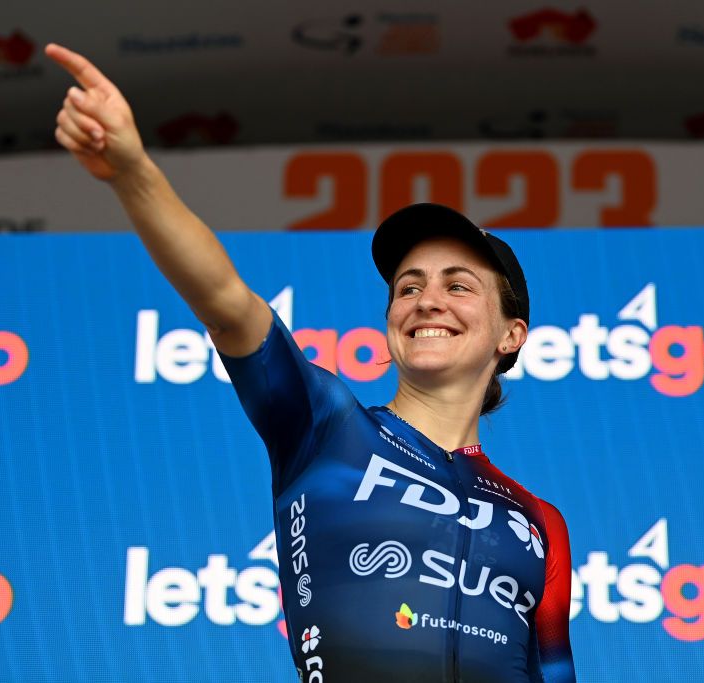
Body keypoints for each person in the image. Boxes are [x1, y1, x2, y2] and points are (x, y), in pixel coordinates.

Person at [45, 43, 575, 682]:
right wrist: (132, 172)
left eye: (458, 286)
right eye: (408, 287)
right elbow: (226, 303)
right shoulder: (325, 428)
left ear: (510, 335)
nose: (427, 300)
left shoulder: (539, 523)